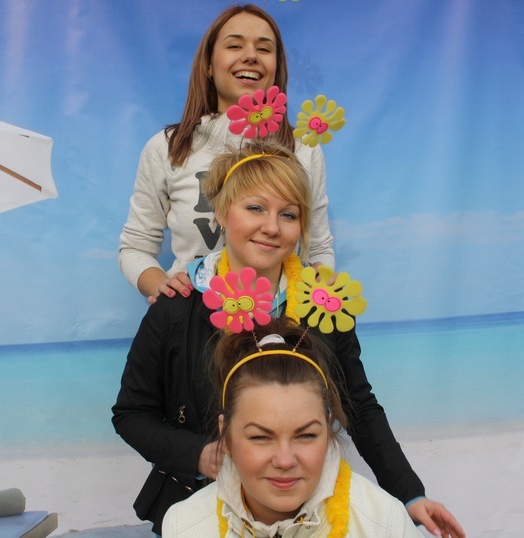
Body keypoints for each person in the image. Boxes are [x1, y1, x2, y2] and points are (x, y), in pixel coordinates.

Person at [112, 143, 464, 537]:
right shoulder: (178, 306)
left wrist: (410, 495)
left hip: (310, 511)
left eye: (288, 214)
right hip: (202, 505)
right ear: (221, 213)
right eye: (255, 208)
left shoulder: (323, 306)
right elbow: (131, 413)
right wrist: (198, 454)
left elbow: (359, 408)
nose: (271, 227)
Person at [118, 4, 335, 304]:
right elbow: (135, 246)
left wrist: (320, 289)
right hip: (192, 317)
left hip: (279, 319)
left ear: (276, 67)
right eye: (234, 45)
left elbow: (318, 248)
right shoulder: (167, 148)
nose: (251, 55)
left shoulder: (303, 148)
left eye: (264, 49)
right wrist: (167, 294)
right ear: (208, 64)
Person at [163, 318, 423, 537]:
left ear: (328, 429)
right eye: (261, 437)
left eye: (306, 435)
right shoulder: (185, 526)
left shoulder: (382, 523)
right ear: (226, 435)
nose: (285, 460)